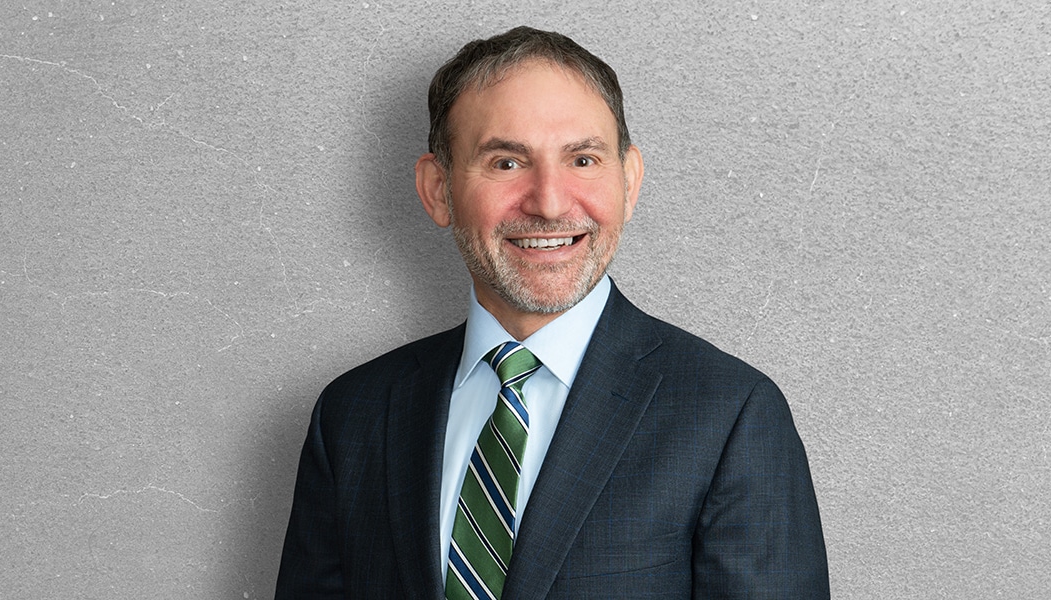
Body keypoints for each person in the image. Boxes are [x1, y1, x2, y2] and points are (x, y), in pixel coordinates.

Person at [274, 26, 829, 599]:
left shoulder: (730, 415)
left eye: (583, 159)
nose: (550, 202)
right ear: (438, 189)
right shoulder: (354, 415)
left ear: (629, 181)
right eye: (507, 163)